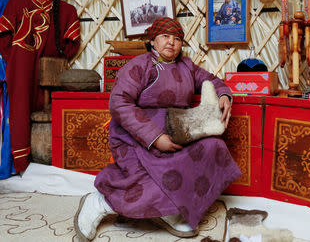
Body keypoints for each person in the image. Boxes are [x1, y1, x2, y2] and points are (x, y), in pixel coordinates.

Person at [74, 17, 242, 241]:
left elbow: (211, 80)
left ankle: (170, 210)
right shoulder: (139, 65)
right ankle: (101, 202)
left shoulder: (187, 66)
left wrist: (223, 94)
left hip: (177, 133)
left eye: (177, 38)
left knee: (214, 147)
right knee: (143, 187)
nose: (171, 42)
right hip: (136, 138)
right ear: (153, 41)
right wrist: (154, 137)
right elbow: (119, 103)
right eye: (165, 36)